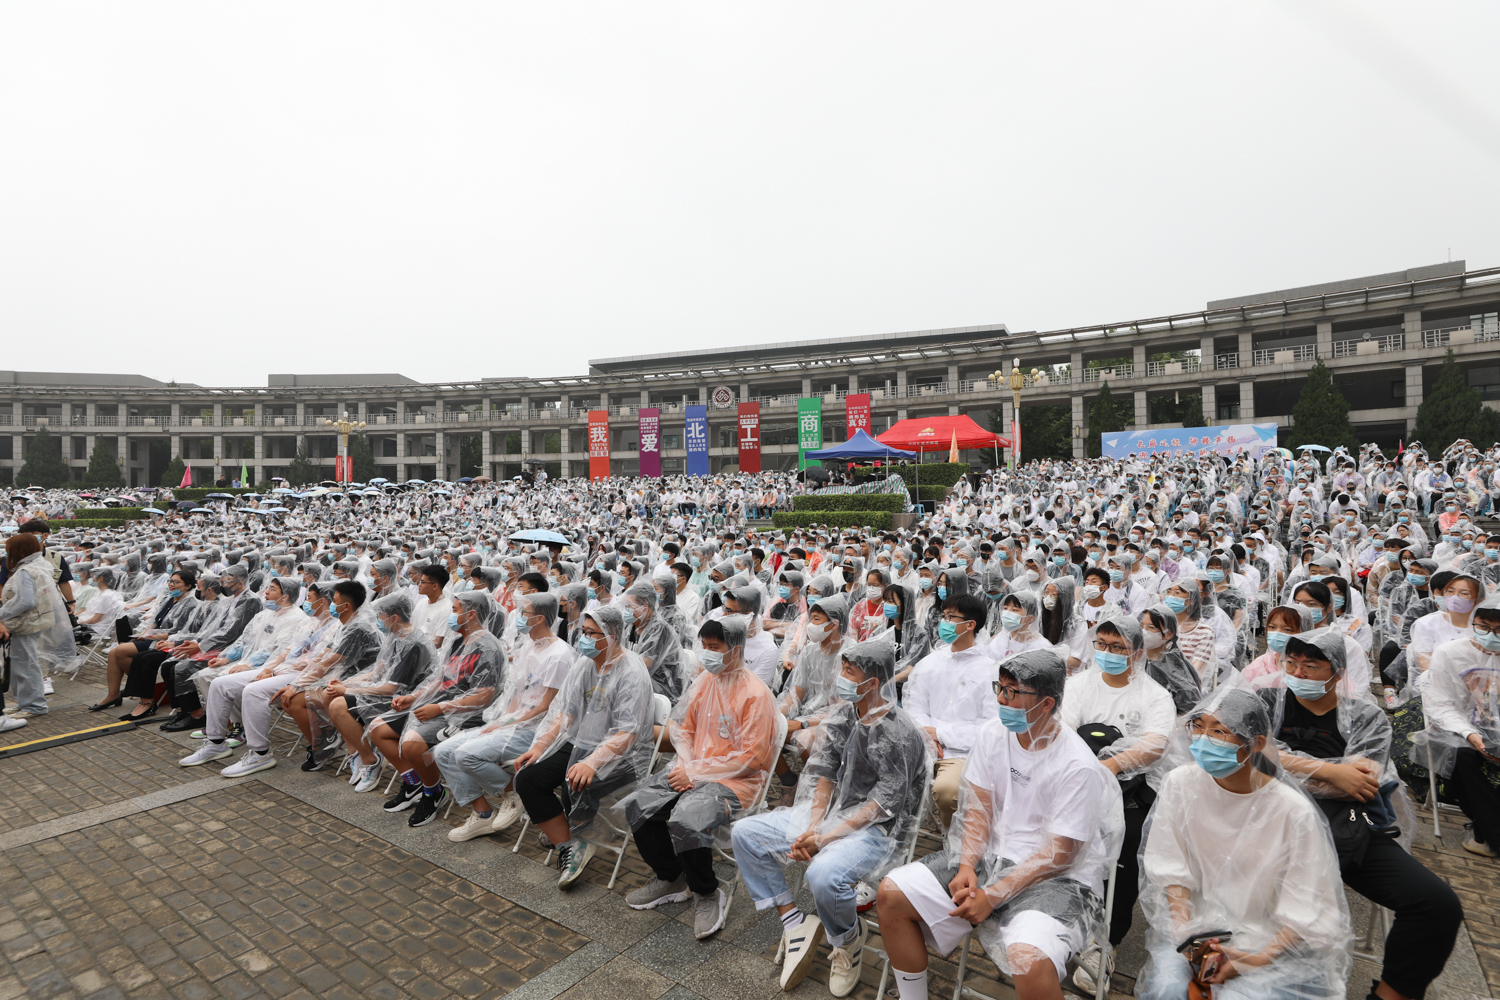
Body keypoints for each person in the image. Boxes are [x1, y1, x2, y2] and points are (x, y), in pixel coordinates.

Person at [876, 648, 1123, 1000]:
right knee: (891, 895)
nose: (1002, 700)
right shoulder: (994, 733)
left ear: (1047, 704)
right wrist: (967, 864)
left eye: (1013, 692)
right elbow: (979, 809)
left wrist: (992, 895)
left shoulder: (1077, 765)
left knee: (1028, 959)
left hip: (1058, 878)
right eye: (1000, 688)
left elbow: (1061, 854)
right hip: (991, 855)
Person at [1264, 628, 1463, 1000]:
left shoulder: (1366, 716)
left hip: (1348, 828)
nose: (1298, 673)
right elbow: (1245, 755)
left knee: (1437, 905)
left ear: (1337, 673)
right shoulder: (1265, 701)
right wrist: (1330, 770)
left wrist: (1280, 763)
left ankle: (1390, 993)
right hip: (1266, 824)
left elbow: (1360, 783)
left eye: (1311, 666)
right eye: (1291, 663)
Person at [731, 635, 929, 996]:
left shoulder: (900, 733)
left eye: (850, 672)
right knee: (746, 833)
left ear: (872, 682)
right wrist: (813, 828)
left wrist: (825, 838)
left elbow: (882, 804)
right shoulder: (844, 714)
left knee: (823, 875)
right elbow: (824, 774)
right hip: (831, 814)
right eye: (843, 668)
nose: (841, 677)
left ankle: (848, 941)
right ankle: (793, 921)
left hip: (876, 830)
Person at [1135, 687, 1351, 1000]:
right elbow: (1170, 865)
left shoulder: (1292, 811)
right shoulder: (1180, 783)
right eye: (1198, 727)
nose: (1203, 740)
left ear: (1257, 743)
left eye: (1219, 731)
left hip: (1267, 938)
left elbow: (1307, 904)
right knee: (1167, 989)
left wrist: (1257, 958)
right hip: (1198, 929)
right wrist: (1186, 934)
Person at [619, 615, 777, 939]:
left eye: (714, 647)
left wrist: (696, 772)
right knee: (639, 804)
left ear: (735, 650)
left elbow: (753, 758)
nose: (706, 653)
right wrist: (687, 765)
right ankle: (671, 876)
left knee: (687, 818)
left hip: (736, 782)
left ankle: (707, 892)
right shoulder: (706, 681)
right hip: (695, 768)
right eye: (704, 646)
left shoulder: (755, 694)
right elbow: (683, 728)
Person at [1057, 617, 1175, 992]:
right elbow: (1062, 730)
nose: (1107, 653)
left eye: (1118, 647)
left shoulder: (1154, 695)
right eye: (1102, 645)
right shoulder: (1079, 685)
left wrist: (1110, 766)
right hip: (1076, 779)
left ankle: (1105, 941)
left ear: (1137, 653)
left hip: (1131, 788)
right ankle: (1059, 919)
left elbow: (1155, 744)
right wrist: (1088, 772)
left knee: (1127, 847)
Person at [511, 605, 656, 887]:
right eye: (584, 632)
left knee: (574, 782)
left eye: (591, 633)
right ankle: (569, 844)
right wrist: (540, 748)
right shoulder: (585, 664)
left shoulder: (631, 672)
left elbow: (627, 733)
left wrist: (591, 762)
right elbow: (565, 714)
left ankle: (579, 833)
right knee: (528, 778)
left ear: (611, 636)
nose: (584, 639)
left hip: (622, 754)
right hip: (581, 742)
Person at [438, 591, 573, 840]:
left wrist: (507, 724)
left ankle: (512, 793)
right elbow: (516, 694)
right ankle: (482, 814)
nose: (518, 617)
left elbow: (546, 707)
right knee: (443, 752)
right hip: (513, 723)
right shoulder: (529, 645)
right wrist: (501, 721)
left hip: (534, 730)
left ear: (540, 619)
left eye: (524, 612)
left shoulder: (559, 655)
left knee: (466, 755)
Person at [373, 590, 505, 827]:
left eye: (455, 610)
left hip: (467, 715)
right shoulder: (457, 641)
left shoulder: (487, 648)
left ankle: (432, 792)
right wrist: (414, 697)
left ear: (471, 614)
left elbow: (483, 697)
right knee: (378, 729)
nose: (451, 615)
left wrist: (440, 708)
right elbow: (438, 680)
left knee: (411, 743)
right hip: (441, 706)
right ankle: (414, 782)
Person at [902, 592, 994, 829]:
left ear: (970, 625)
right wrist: (927, 735)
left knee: (948, 791)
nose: (944, 622)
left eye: (951, 617)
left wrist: (940, 734)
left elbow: (989, 726)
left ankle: (952, 841)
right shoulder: (932, 662)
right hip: (922, 742)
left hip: (961, 753)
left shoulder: (990, 670)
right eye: (944, 616)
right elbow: (914, 704)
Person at [1, 532, 74, 726]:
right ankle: (25, 702)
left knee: (26, 664)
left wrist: (2, 614)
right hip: (33, 622)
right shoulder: (39, 566)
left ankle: (34, 705)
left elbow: (26, 601)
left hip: (25, 623)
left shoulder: (26, 571)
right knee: (23, 663)